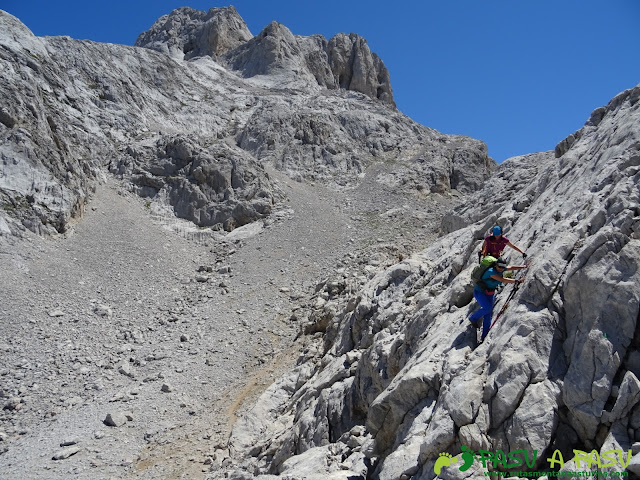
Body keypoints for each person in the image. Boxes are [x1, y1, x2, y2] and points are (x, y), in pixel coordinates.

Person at [469, 257, 527, 341]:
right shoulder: (491, 272)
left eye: (503, 267)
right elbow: (502, 279)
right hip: (480, 292)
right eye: (499, 267)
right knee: (488, 308)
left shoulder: (501, 268)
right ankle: (473, 318)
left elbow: (511, 267)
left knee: (488, 313)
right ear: (496, 265)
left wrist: (524, 267)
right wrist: (517, 281)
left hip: (490, 293)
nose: (501, 269)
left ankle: (484, 336)